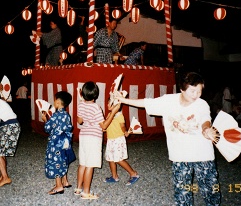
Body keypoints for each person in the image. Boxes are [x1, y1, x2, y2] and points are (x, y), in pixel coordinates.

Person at [114, 72, 221, 205]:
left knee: (210, 191)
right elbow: (146, 103)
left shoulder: (202, 104)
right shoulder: (168, 101)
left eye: (199, 91)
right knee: (182, 194)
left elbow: (206, 119)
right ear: (182, 89)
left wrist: (206, 129)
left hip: (203, 154)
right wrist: (123, 100)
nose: (196, 95)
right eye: (192, 91)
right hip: (180, 156)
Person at [75, 81, 121, 200]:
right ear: (96, 95)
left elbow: (79, 121)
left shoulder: (80, 104)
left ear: (83, 93)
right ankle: (86, 193)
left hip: (83, 136)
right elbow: (104, 126)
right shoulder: (96, 107)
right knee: (90, 165)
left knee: (83, 164)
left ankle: (78, 188)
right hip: (93, 138)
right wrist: (113, 112)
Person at [41, 91, 74, 195]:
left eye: (55, 100)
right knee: (63, 160)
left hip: (55, 142)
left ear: (58, 102)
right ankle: (65, 181)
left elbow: (47, 128)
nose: (54, 102)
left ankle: (59, 185)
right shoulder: (67, 115)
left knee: (55, 162)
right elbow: (68, 127)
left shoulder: (55, 115)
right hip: (65, 141)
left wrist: (45, 119)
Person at [103, 98, 140, 185]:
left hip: (118, 140)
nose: (107, 105)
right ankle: (114, 176)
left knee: (119, 159)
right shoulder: (109, 114)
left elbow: (122, 126)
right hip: (110, 139)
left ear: (116, 106)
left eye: (109, 104)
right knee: (110, 158)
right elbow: (107, 125)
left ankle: (133, 174)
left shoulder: (119, 115)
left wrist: (125, 132)